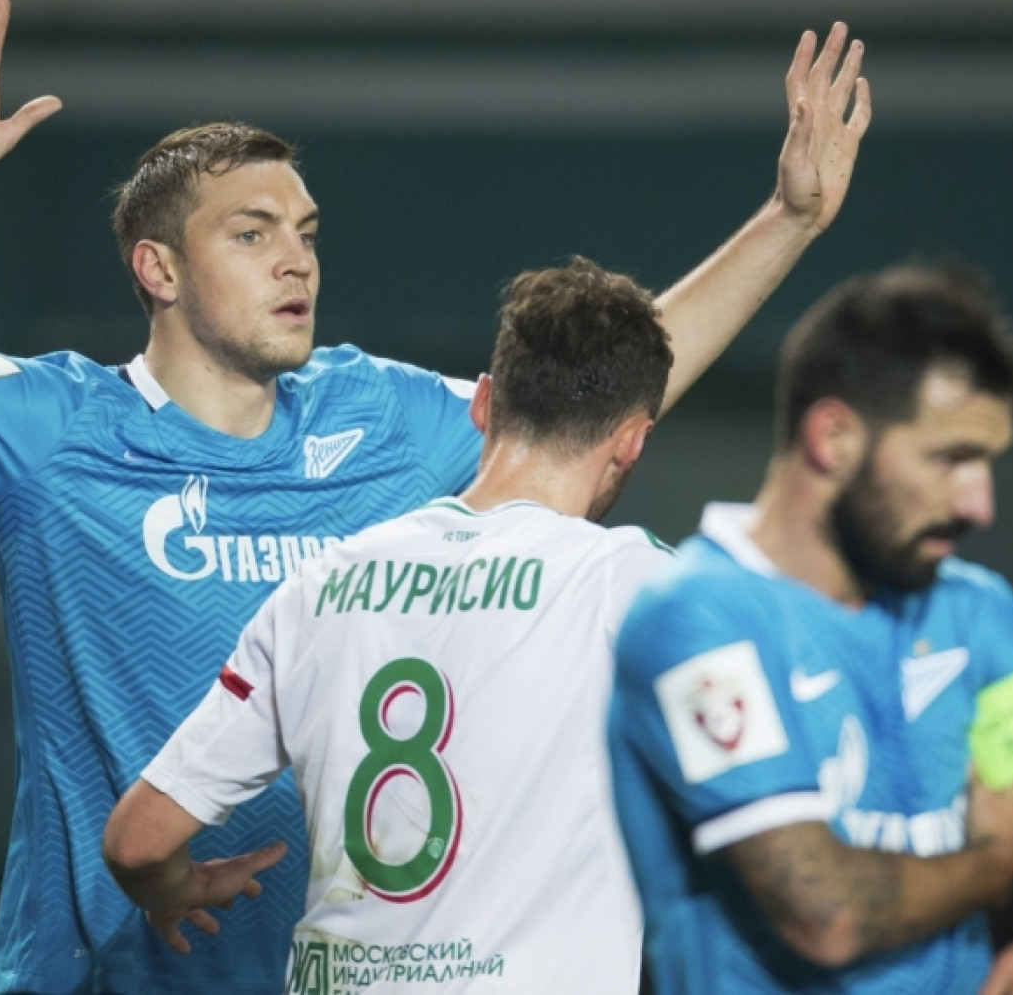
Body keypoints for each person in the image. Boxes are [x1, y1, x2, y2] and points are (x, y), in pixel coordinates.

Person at [0, 0, 871, 994]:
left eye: (307, 232)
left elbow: (595, 396)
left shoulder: (377, 415)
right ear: (158, 268)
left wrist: (789, 222)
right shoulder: (47, 425)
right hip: (102, 975)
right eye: (252, 233)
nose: (297, 258)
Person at [102, 259, 781, 993]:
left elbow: (137, 843)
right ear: (632, 442)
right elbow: (767, 825)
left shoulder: (319, 584)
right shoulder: (634, 585)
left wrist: (172, 889)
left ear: (483, 403)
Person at [607, 265, 1013, 995]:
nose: (978, 504)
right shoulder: (696, 616)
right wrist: (992, 859)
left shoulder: (974, 611)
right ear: (834, 437)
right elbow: (826, 914)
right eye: (950, 459)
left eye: (987, 463)